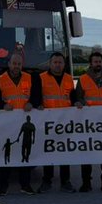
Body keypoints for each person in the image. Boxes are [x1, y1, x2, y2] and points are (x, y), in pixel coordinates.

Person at [0, 51, 35, 195]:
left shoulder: (29, 78)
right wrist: (3, 105)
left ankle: (25, 185)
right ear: (9, 64)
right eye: (14, 63)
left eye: (19, 64)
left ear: (22, 65)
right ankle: (3, 186)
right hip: (7, 123)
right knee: (6, 156)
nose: (16, 66)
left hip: (24, 121)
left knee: (25, 155)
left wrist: (32, 103)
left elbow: (36, 96)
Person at [37, 52, 79, 192]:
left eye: (60, 62)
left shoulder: (68, 79)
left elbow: (72, 98)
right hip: (48, 122)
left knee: (64, 152)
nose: (57, 65)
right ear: (50, 64)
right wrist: (38, 105)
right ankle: (46, 180)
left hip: (64, 123)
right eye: (55, 62)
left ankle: (65, 181)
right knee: (48, 152)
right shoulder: (41, 78)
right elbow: (36, 97)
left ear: (64, 64)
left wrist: (77, 102)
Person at [77, 51, 102, 192]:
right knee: (86, 153)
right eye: (95, 62)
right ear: (91, 64)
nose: (98, 64)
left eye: (99, 62)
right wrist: (81, 103)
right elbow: (78, 98)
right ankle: (86, 183)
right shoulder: (83, 79)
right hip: (88, 124)